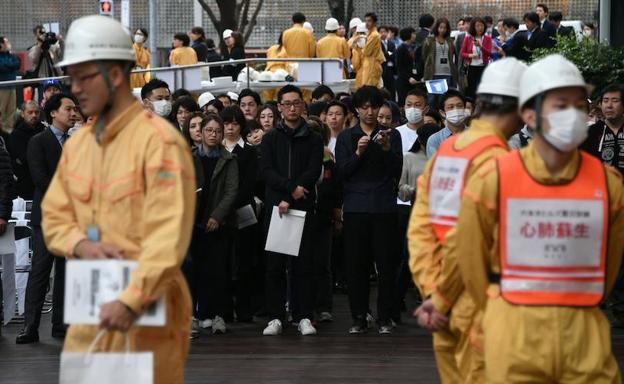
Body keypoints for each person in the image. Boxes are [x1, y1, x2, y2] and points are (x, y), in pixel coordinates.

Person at [40, 16, 196, 383]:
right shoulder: (79, 143)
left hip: (146, 312)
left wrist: (131, 300)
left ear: (113, 74)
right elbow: (55, 213)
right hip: (91, 306)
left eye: (83, 77)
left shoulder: (159, 143)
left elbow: (167, 235)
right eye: (71, 78)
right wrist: (79, 244)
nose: (74, 89)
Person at [457, 54, 623, 383]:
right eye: (561, 105)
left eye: (579, 105)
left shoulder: (609, 184)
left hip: (584, 334)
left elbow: (610, 263)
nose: (573, 115)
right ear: (529, 115)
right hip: (514, 332)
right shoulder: (493, 179)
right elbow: (471, 263)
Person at [410, 58, 527, 383]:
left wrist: (432, 290)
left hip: (441, 301)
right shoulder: (503, 164)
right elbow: (477, 241)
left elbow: (421, 229)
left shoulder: (448, 152)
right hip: (483, 306)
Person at [335, 86, 402, 334]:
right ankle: (359, 317)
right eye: (365, 107)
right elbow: (342, 172)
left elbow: (396, 170)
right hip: (355, 208)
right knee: (356, 266)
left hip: (384, 206)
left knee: (386, 265)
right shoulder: (346, 137)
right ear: (356, 110)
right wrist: (358, 152)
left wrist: (385, 150)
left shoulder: (391, 136)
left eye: (374, 107)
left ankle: (385, 317)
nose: (370, 112)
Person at [259, 85, 323, 336]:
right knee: (274, 265)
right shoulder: (270, 138)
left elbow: (312, 170)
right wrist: (288, 193)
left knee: (303, 264)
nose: (292, 107)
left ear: (303, 106)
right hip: (277, 208)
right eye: (287, 104)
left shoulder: (314, 138)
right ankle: (275, 316)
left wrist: (294, 194)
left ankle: (303, 315)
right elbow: (266, 171)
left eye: (297, 103)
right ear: (280, 108)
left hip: (302, 207)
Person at [17, 93, 79, 344]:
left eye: (75, 109)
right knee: (40, 271)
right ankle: (30, 326)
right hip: (49, 216)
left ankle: (61, 324)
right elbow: (40, 178)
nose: (73, 113)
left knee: (66, 271)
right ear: (53, 113)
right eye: (68, 109)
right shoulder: (38, 141)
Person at [186, 113, 238, 335]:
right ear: (202, 132)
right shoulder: (188, 156)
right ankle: (193, 315)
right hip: (192, 220)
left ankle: (217, 315)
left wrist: (217, 216)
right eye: (209, 130)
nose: (213, 134)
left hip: (218, 222)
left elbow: (231, 191)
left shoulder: (229, 159)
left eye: (217, 131)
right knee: (192, 270)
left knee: (217, 270)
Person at [222, 106, 259, 323]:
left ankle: (245, 309)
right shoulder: (216, 149)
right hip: (219, 215)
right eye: (226, 124)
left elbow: (248, 185)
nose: (230, 128)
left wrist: (230, 203)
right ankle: (225, 309)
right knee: (223, 260)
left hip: (243, 210)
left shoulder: (249, 151)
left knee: (245, 260)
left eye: (234, 124)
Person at [307, 116, 342, 323]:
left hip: (324, 216)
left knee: (322, 263)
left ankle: (323, 306)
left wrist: (337, 216)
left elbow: (336, 190)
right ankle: (302, 305)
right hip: (302, 215)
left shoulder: (329, 161)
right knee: (301, 264)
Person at [581, 84, 624, 175]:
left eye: (615, 101)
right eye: (605, 101)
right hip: (600, 186)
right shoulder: (590, 132)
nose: (609, 105)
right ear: (600, 104)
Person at [8, 101, 44, 199]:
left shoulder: (45, 131)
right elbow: (23, 159)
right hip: (26, 185)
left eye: (37, 112)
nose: (34, 115)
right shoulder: (16, 135)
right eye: (30, 112)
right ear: (23, 114)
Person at [423, 17, 458, 107]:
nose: (442, 30)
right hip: (433, 73)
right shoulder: (430, 40)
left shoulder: (450, 41)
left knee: (444, 99)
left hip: (447, 73)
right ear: (437, 28)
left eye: (445, 28)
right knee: (432, 98)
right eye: (440, 27)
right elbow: (425, 56)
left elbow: (453, 56)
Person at [426, 89, 468, 158]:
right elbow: (434, 166)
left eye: (459, 106)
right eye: (450, 107)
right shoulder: (435, 140)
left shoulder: (477, 136)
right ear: (442, 113)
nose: (456, 110)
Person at [460, 17, 492, 99]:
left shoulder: (487, 38)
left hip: (483, 67)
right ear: (473, 27)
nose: (480, 28)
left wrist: (481, 46)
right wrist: (470, 55)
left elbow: (489, 53)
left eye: (481, 25)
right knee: (471, 89)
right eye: (477, 26)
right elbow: (462, 53)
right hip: (471, 67)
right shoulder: (468, 38)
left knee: (481, 88)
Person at [351, 14, 385, 89]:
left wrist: (357, 47)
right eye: (366, 20)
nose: (367, 23)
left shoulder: (374, 35)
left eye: (369, 21)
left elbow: (366, 52)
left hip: (371, 67)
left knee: (370, 90)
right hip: (368, 68)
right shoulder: (371, 35)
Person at [0, 37, 20, 131]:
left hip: (12, 86)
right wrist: (11, 65)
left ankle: (9, 130)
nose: (8, 44)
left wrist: (10, 65)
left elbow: (17, 63)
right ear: (1, 44)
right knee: (1, 110)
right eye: (6, 42)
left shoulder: (11, 55)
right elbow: (2, 66)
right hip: (2, 87)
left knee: (11, 110)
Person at [395, 27, 418, 106]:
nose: (415, 36)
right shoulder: (401, 49)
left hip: (412, 81)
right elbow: (400, 67)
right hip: (403, 81)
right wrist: (408, 77)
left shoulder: (412, 47)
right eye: (413, 33)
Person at [379, 26, 397, 100]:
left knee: (391, 89)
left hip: (391, 69)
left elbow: (394, 54)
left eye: (385, 32)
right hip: (382, 69)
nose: (383, 34)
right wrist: (387, 55)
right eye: (381, 32)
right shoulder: (378, 43)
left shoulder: (391, 43)